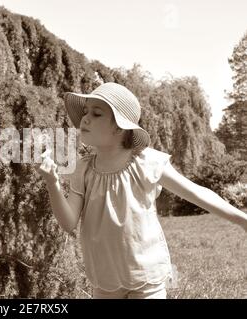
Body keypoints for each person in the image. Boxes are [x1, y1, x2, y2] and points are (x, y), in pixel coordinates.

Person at [35, 82, 247, 299]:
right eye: (86, 111)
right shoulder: (83, 168)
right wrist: (53, 184)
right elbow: (68, 222)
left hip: (147, 277)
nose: (85, 119)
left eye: (97, 114)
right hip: (105, 279)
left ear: (119, 127)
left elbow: (196, 193)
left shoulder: (147, 162)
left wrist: (242, 220)